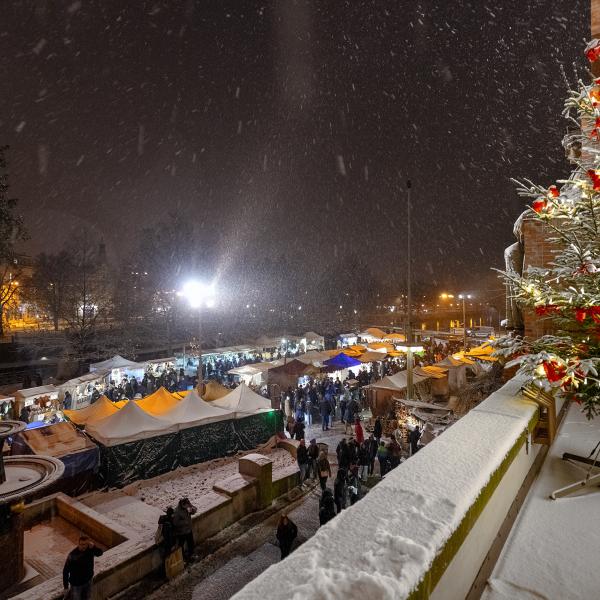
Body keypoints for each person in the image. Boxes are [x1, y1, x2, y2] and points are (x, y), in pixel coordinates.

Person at [62, 535, 103, 600]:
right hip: (76, 585)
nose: (83, 546)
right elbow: (65, 571)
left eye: (85, 544)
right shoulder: (72, 555)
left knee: (88, 598)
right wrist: (66, 587)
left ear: (88, 543)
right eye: (81, 544)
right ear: (78, 544)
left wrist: (94, 547)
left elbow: (100, 553)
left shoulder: (90, 549)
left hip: (88, 581)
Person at [156, 507, 176, 574]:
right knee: (166, 558)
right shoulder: (168, 524)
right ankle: (165, 572)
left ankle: (165, 570)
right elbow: (168, 536)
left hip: (163, 543)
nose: (173, 515)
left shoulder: (165, 520)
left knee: (164, 558)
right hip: (165, 544)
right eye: (173, 514)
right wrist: (172, 544)